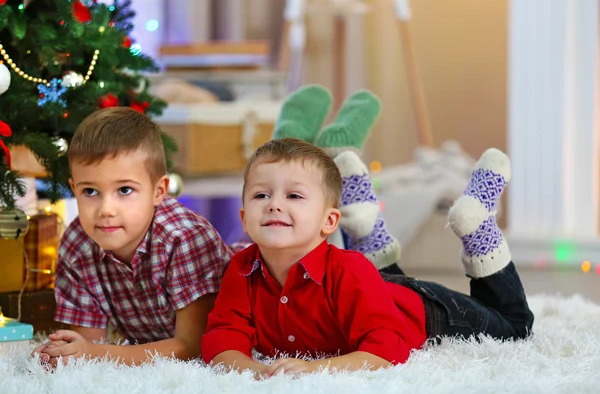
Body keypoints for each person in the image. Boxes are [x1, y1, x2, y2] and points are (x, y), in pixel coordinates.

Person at [201, 138, 534, 378]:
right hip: (371, 288)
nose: (274, 204)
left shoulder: (350, 271)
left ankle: (480, 228)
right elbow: (222, 339)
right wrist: (257, 373)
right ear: (244, 217)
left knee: (515, 327)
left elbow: (387, 349)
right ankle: (368, 227)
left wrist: (314, 370)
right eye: (262, 195)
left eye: (294, 195)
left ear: (329, 222)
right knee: (371, 277)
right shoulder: (242, 269)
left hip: (426, 311)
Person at [32, 107, 231, 366]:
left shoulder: (184, 238)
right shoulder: (77, 244)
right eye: (90, 191)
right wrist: (69, 354)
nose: (105, 210)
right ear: (74, 188)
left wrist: (96, 354)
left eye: (124, 190)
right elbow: (90, 345)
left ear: (159, 191)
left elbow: (193, 346)